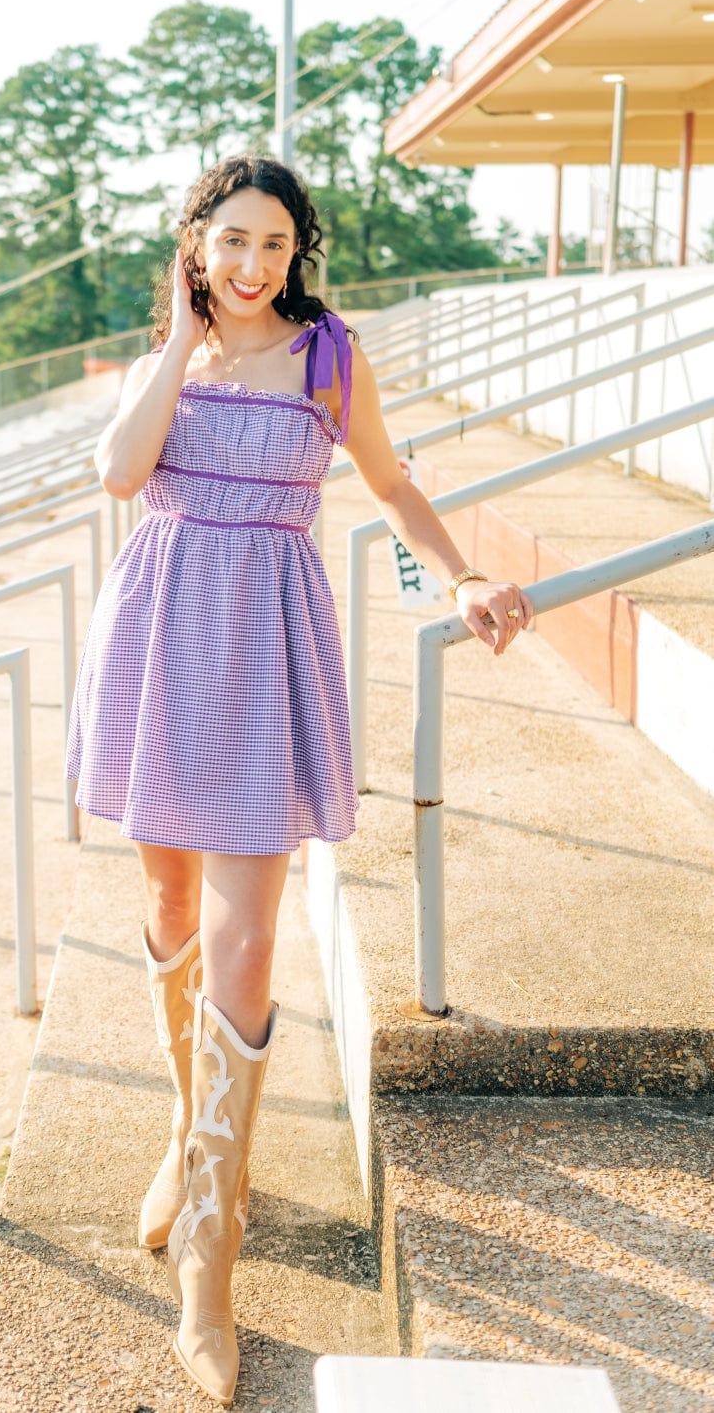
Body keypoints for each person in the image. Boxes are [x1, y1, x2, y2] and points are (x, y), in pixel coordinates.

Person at [65, 154, 532, 1405]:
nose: (254, 264)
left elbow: (385, 480)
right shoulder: (169, 355)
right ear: (196, 246)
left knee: (247, 944)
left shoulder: (329, 354)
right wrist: (179, 333)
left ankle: (211, 1255)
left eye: (274, 243)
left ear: (297, 250)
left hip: (266, 641)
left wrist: (462, 577)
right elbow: (119, 475)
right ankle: (188, 1137)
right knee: (167, 909)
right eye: (232, 242)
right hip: (161, 636)